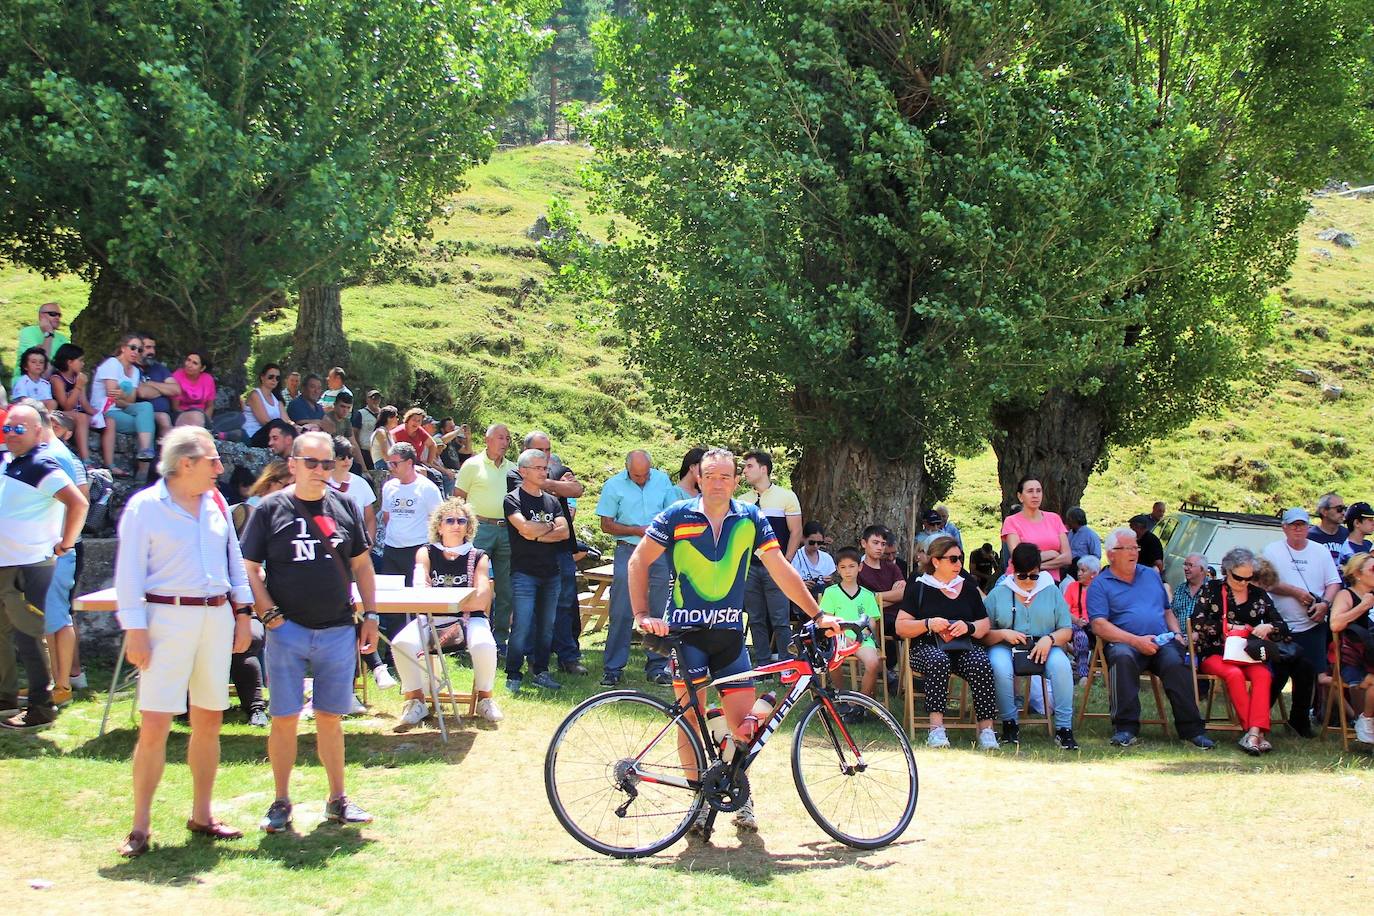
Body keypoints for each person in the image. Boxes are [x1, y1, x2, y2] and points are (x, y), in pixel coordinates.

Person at [633, 448, 841, 834]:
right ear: (698, 476)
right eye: (710, 475)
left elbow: (779, 569)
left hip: (729, 636)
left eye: (726, 477)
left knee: (744, 726)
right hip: (686, 636)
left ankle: (737, 794)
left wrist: (817, 614)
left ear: (735, 481)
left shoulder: (751, 517)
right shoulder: (677, 514)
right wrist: (642, 614)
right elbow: (637, 561)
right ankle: (697, 802)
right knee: (690, 721)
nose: (717, 483)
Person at [112, 427, 254, 857]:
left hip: (214, 615)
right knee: (155, 722)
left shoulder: (216, 503)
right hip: (165, 617)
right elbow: (128, 575)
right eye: (213, 460)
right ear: (185, 463)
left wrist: (243, 613)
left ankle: (203, 813)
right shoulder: (144, 508)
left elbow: (234, 559)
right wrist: (135, 629)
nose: (221, 468)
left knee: (210, 718)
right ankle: (140, 826)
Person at [240, 431, 380, 832]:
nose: (322, 470)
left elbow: (363, 566)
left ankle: (337, 799)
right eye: (313, 463)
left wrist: (371, 615)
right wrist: (267, 612)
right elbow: (249, 567)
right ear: (294, 464)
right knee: (284, 717)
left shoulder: (346, 505)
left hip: (337, 628)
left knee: (330, 717)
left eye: (329, 463)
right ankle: (281, 800)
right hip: (288, 631)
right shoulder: (270, 509)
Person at [0, 402, 88, 730]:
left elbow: (79, 502)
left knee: (29, 637)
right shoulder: (11, 461)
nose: (11, 433)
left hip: (29, 566)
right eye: (8, 427)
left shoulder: (42, 463)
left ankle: (40, 708)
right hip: (7, 564)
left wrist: (66, 543)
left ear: (39, 430)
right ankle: (6, 697)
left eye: (19, 428)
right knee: (5, 633)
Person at [1086, 528, 1214, 748]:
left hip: (1161, 641)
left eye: (1135, 547)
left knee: (1176, 662)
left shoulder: (1150, 575)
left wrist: (1176, 633)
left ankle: (1192, 731)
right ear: (1111, 553)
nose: (1134, 552)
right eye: (1127, 548)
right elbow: (1099, 625)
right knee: (1122, 657)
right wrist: (1136, 641)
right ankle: (1125, 728)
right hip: (1125, 642)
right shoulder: (1100, 584)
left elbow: (1167, 610)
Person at [393, 498, 502, 726]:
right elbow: (420, 591)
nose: (456, 525)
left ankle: (485, 699)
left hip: (469, 619)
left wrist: (442, 602)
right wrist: (453, 601)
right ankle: (415, 700)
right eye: (449, 520)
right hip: (430, 617)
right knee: (401, 643)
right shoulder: (426, 553)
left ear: (468, 526)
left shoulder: (479, 556)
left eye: (461, 520)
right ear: (439, 526)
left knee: (485, 645)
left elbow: (481, 599)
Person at [894, 536, 1000, 750]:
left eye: (959, 559)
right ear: (935, 561)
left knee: (981, 662)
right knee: (938, 660)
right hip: (925, 647)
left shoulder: (968, 587)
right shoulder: (919, 587)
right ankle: (936, 728)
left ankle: (987, 729)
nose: (959, 564)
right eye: (952, 559)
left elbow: (984, 623)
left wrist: (968, 627)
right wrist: (928, 623)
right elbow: (900, 626)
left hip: (962, 647)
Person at [1188, 546, 1288, 755]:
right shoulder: (1212, 589)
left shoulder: (1258, 594)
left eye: (1248, 578)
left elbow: (1282, 626)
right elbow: (1197, 623)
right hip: (1216, 651)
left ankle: (1253, 733)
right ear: (1227, 571)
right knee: (1233, 675)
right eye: (1238, 578)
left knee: (1263, 675)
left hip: (1247, 654)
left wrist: (1268, 626)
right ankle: (1254, 734)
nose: (1243, 583)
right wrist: (1228, 628)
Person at [983, 542, 1078, 749]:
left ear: (1040, 571)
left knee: (1062, 666)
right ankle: (1009, 723)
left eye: (1033, 576)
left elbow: (1066, 629)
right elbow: (982, 633)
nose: (1027, 581)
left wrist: (1050, 639)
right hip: (1006, 644)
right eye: (1022, 576)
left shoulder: (1051, 591)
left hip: (1045, 643)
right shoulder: (999, 593)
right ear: (1013, 570)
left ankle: (1064, 728)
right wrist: (1002, 633)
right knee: (999, 665)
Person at [507, 431, 586, 677]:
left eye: (548, 450)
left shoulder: (559, 469)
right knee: (530, 610)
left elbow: (577, 490)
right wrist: (556, 486)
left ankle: (568, 657)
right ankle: (531, 659)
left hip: (561, 551)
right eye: (540, 452)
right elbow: (527, 522)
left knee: (564, 605)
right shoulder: (514, 474)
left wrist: (548, 485)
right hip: (531, 555)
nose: (547, 457)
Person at [595, 449, 676, 686]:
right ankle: (613, 668)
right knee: (621, 610)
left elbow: (672, 514)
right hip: (628, 549)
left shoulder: (662, 480)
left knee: (658, 611)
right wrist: (636, 530)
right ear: (627, 469)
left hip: (658, 550)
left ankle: (658, 667)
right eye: (636, 476)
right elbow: (606, 525)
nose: (641, 479)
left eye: (645, 475)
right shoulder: (613, 485)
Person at [1262, 507, 1341, 737]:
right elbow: (1265, 583)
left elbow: (1334, 582)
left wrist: (1324, 603)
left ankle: (1300, 721)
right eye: (1293, 525)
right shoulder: (1272, 550)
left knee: (1307, 675)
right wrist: (1295, 592)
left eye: (1302, 524)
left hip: (1312, 623)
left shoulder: (1320, 551)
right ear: (1284, 527)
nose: (1298, 529)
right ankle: (1257, 718)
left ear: (1308, 527)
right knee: (1276, 675)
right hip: (1280, 624)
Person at [28, 402, 86, 708]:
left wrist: (64, 543)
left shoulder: (55, 456)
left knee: (57, 618)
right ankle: (57, 682)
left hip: (57, 550)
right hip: (50, 549)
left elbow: (77, 503)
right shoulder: (49, 453)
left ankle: (62, 685)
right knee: (51, 618)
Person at [502, 448, 569, 692]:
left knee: (546, 626)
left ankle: (541, 671)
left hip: (551, 572)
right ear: (523, 471)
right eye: (539, 468)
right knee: (521, 625)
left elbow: (564, 532)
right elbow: (524, 530)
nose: (544, 472)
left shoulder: (552, 500)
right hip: (524, 573)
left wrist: (540, 532)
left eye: (545, 468)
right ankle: (513, 674)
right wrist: (544, 529)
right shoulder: (513, 499)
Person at [378, 442, 443, 672]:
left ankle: (420, 651)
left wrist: (433, 551)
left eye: (395, 463)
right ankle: (393, 652)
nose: (391, 467)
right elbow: (387, 517)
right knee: (393, 604)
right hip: (392, 549)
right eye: (389, 463)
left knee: (417, 603)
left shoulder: (427, 489)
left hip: (418, 550)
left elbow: (438, 521)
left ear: (409, 463)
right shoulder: (389, 487)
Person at [455, 424, 516, 649]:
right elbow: (458, 499)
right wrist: (462, 529)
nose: (505, 442)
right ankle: (464, 638)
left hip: (507, 529)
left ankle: (500, 640)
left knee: (506, 586)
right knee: (471, 582)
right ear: (487, 439)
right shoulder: (472, 465)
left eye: (507, 438)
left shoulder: (513, 469)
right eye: (500, 437)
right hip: (479, 527)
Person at [739, 450, 803, 661]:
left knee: (780, 618)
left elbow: (796, 531)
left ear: (763, 469)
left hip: (777, 566)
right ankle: (763, 664)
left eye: (749, 466)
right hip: (751, 566)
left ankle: (786, 664)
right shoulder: (742, 500)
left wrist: (787, 560)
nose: (744, 470)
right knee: (755, 618)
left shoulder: (786, 496)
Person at [819, 547, 882, 708]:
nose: (848, 571)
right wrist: (841, 636)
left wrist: (861, 636)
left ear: (860, 567)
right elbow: (826, 620)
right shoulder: (831, 592)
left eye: (852, 566)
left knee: (873, 663)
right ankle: (842, 697)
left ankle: (860, 704)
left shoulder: (867, 595)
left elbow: (872, 622)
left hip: (862, 639)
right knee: (833, 660)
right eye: (843, 567)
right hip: (838, 638)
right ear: (837, 570)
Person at [91, 333, 156, 476]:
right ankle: (142, 475)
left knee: (146, 407)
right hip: (106, 410)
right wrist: (122, 397)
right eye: (132, 348)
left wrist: (122, 396)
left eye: (139, 350)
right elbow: (111, 395)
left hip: (121, 408)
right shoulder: (112, 364)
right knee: (147, 425)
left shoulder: (135, 371)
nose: (135, 352)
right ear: (123, 348)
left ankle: (145, 450)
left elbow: (131, 399)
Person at [1330, 552, 1374, 744]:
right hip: (1354, 661)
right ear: (1357, 573)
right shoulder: (1346, 595)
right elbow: (1335, 624)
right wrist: (1363, 607)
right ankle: (1366, 719)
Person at [1001, 476, 1071, 582]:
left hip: (1051, 583)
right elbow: (1020, 559)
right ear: (1020, 496)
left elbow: (1067, 558)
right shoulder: (1011, 521)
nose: (1035, 495)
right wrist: (1051, 554)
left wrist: (1036, 567)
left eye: (1038, 491)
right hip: (1022, 581)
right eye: (1030, 491)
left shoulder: (1054, 519)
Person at [858, 524, 905, 678]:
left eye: (882, 544)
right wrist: (892, 595)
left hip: (897, 615)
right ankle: (882, 669)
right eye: (875, 543)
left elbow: (904, 593)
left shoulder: (891, 568)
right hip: (874, 617)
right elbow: (863, 600)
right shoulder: (859, 569)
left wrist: (876, 596)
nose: (879, 548)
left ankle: (909, 674)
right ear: (864, 543)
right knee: (876, 620)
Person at [49, 343, 101, 464]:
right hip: (61, 414)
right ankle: (85, 459)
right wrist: (78, 386)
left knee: (109, 420)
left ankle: (110, 463)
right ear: (69, 362)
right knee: (81, 417)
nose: (83, 364)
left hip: (77, 413)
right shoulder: (57, 379)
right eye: (80, 360)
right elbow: (66, 405)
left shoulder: (78, 377)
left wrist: (99, 414)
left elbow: (84, 404)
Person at [328, 435, 377, 545]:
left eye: (350, 456)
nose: (347, 460)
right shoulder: (322, 484)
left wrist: (368, 546)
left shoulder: (361, 483)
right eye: (341, 457)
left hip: (357, 544)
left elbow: (370, 519)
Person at [12, 302, 68, 387]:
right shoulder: (28, 332)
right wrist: (48, 333)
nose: (57, 317)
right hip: (26, 383)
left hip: (51, 384)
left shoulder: (63, 339)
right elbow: (40, 364)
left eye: (59, 315)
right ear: (41, 316)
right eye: (52, 314)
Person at [136, 335, 182, 438]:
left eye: (153, 347)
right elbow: (142, 393)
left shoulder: (159, 368)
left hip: (168, 413)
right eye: (148, 347)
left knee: (193, 416)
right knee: (163, 418)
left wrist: (150, 383)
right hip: (144, 414)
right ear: (138, 348)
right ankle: (167, 452)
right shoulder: (132, 368)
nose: (152, 352)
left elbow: (176, 389)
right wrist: (165, 389)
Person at [1062, 555, 1099, 680]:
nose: (1079, 573)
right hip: (1075, 623)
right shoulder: (1072, 587)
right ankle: (1083, 674)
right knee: (1080, 636)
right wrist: (1077, 620)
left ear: (1093, 574)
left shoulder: (1099, 589)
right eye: (1079, 570)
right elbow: (1065, 611)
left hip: (1094, 625)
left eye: (1083, 571)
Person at [242, 363, 284, 447]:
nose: (274, 380)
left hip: (273, 435)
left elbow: (287, 421)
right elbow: (265, 421)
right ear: (262, 377)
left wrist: (301, 428)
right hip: (253, 436)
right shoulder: (255, 395)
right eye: (270, 377)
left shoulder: (278, 401)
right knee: (277, 423)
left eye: (277, 378)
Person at [791, 521, 836, 593]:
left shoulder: (827, 558)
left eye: (819, 543)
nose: (815, 546)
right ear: (803, 538)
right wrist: (800, 585)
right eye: (811, 542)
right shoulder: (794, 557)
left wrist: (828, 580)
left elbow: (831, 585)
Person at [1308, 492, 1349, 568]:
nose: (1343, 513)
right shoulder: (1309, 537)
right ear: (1324, 511)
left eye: (1344, 509)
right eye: (1339, 509)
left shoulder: (1348, 535)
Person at [172, 350, 217, 418]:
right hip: (180, 416)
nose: (189, 365)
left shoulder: (208, 379)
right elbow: (175, 407)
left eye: (195, 363)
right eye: (188, 360)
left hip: (201, 416)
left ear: (202, 368)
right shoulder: (177, 376)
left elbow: (210, 406)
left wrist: (205, 421)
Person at [1171, 553, 1208, 625]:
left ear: (1202, 569)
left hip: (1202, 635)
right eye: (1185, 564)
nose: (1185, 568)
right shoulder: (1180, 589)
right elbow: (1172, 615)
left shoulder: (1211, 590)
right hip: (1180, 635)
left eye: (1190, 565)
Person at [1065, 506, 1102, 575]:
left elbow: (1096, 556)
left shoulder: (1090, 535)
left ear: (1075, 520)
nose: (1067, 521)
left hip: (1083, 571)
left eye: (1069, 519)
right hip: (1069, 570)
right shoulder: (1070, 533)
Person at [352, 391, 382, 470]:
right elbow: (355, 433)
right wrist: (358, 452)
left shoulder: (383, 414)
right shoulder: (360, 414)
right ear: (367, 400)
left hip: (379, 453)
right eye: (373, 399)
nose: (375, 401)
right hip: (365, 452)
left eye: (378, 399)